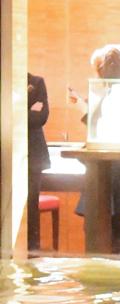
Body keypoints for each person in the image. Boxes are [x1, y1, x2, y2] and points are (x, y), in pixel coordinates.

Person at [74, 46, 120, 253]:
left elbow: (108, 129)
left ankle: (111, 276)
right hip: (115, 164)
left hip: (111, 165)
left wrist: (85, 110)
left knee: (104, 226)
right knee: (112, 225)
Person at [27, 72, 50, 251]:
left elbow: (41, 116)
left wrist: (17, 114)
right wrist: (27, 109)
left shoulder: (36, 82)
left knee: (31, 201)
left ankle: (32, 248)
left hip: (33, 154)